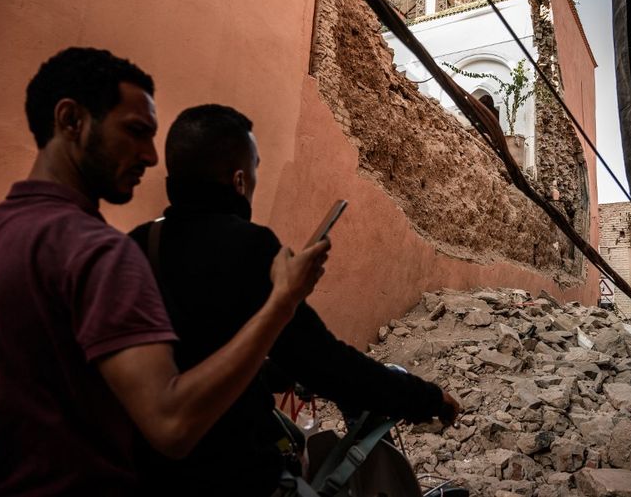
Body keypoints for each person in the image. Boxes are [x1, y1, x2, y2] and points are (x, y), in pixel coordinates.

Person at [0, 47, 329, 496]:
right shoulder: (99, 253)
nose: (150, 156)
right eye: (136, 132)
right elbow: (172, 423)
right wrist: (283, 301)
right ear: (71, 120)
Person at [129, 104, 460, 496]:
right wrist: (427, 398)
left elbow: (197, 348)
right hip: (238, 472)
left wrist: (276, 373)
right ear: (239, 180)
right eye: (255, 170)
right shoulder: (252, 248)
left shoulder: (137, 245)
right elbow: (327, 363)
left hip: (151, 472)